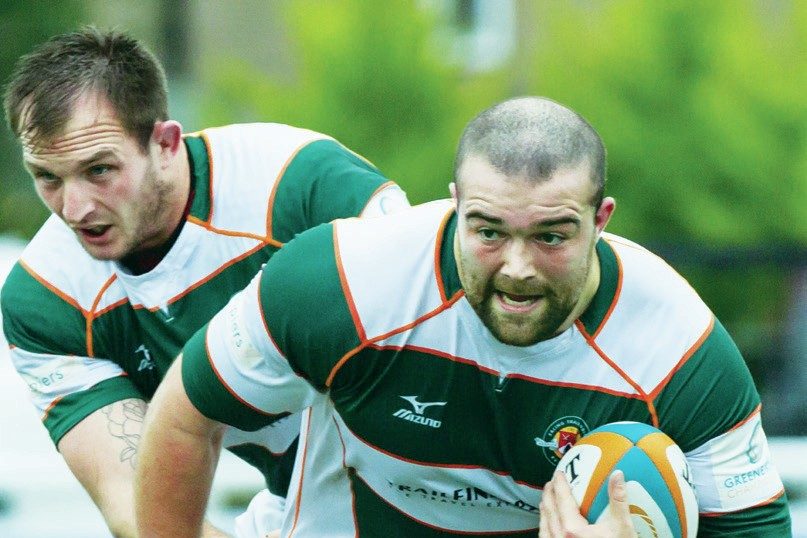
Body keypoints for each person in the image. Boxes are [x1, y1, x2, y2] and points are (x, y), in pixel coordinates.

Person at [135, 96, 791, 537]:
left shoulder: (680, 353)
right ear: (452, 206)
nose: (515, 267)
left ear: (601, 221)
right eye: (487, 231)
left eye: (551, 237)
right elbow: (183, 418)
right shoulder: (343, 283)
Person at [0, 27, 409, 538]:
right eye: (48, 178)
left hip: (453, 483)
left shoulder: (301, 185)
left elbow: (447, 327)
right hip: (300, 508)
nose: (75, 209)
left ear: (166, 142)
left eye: (99, 170)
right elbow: (144, 515)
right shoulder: (45, 296)